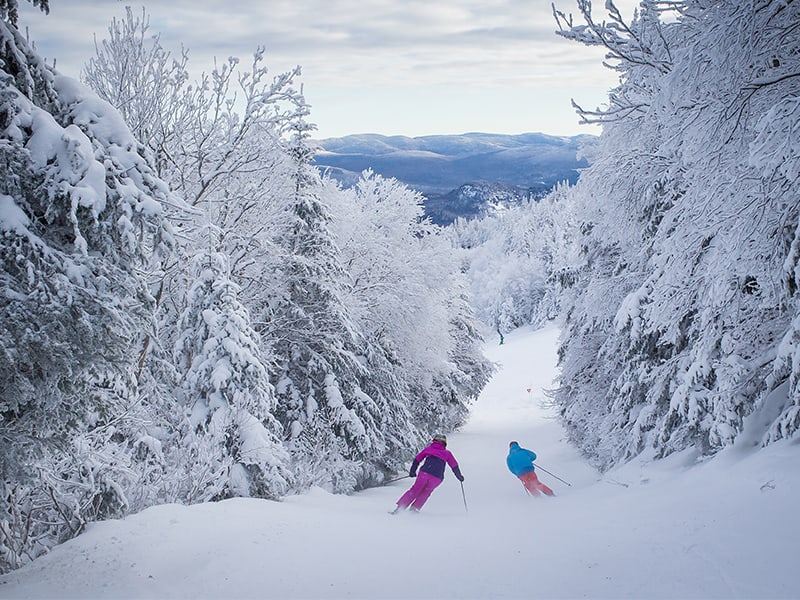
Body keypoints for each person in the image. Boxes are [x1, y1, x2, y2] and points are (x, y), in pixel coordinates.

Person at [391, 434, 464, 514]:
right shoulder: (447, 453)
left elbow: (417, 460)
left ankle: (400, 508)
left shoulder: (429, 449)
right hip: (437, 478)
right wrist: (459, 477)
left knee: (415, 490)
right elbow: (454, 466)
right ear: (444, 443)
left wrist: (412, 471)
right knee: (426, 492)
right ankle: (414, 510)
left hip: (424, 473)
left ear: (434, 441)